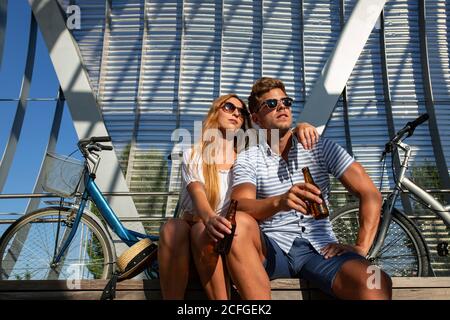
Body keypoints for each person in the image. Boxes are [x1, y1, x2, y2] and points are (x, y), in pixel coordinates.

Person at [227, 77, 393, 300]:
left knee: (377, 279)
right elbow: (241, 204)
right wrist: (280, 202)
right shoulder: (249, 158)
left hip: (322, 249)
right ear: (256, 118)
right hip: (274, 248)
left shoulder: (319, 146)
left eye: (286, 101)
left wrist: (361, 248)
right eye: (272, 104)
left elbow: (370, 193)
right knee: (239, 224)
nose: (282, 107)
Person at [158, 93, 319, 299]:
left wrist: (301, 126)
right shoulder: (194, 154)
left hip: (228, 242)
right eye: (229, 107)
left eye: (241, 112)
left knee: (205, 231)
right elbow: (197, 193)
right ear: (215, 112)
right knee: (174, 227)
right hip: (192, 239)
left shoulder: (245, 159)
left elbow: (277, 139)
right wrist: (209, 219)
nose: (236, 113)